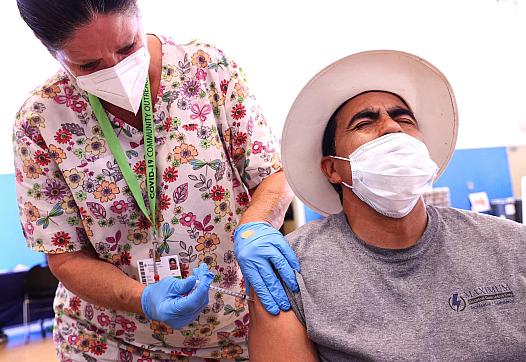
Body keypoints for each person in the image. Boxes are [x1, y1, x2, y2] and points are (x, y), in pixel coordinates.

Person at [13, 0, 299, 359]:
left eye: (127, 46)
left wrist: (258, 226)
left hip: (231, 331)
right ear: (51, 51)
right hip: (108, 341)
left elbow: (272, 173)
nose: (116, 70)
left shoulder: (207, 69)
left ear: (137, 12)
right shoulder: (41, 120)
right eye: (88, 65)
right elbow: (66, 258)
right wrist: (141, 299)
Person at [247, 50, 526, 361]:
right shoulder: (290, 272)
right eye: (365, 122)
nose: (393, 128)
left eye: (404, 118)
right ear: (333, 169)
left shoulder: (512, 247)